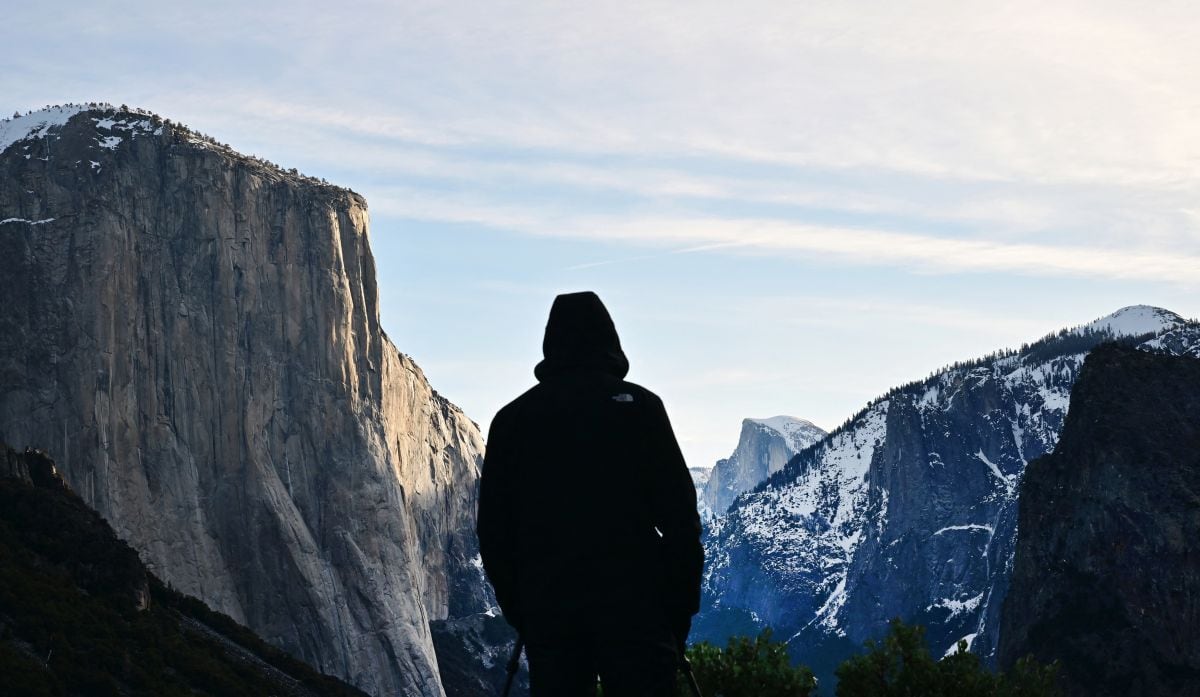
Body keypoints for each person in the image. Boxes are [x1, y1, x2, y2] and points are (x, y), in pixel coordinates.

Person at [478, 291, 704, 697]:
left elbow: (494, 533)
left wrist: (523, 611)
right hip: (638, 611)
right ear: (611, 338)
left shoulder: (512, 420)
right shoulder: (641, 407)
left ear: (550, 342)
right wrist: (677, 614)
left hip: (552, 614)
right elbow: (681, 522)